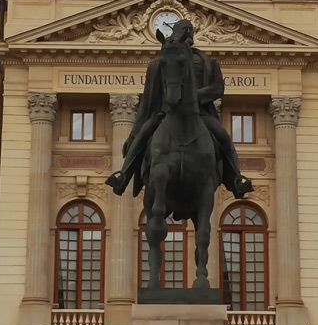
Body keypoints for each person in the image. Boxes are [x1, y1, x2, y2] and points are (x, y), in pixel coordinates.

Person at [106, 19, 252, 200]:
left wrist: (194, 96)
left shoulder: (208, 62)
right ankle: (123, 175)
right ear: (175, 33)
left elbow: (217, 88)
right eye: (182, 30)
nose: (187, 33)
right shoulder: (160, 64)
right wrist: (133, 134)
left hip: (199, 114)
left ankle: (237, 178)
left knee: (224, 138)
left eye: (189, 30)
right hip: (165, 114)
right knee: (144, 134)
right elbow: (148, 101)